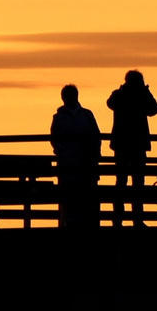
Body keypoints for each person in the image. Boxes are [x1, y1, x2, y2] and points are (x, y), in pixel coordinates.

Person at [106, 70, 157, 226]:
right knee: (137, 183)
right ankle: (137, 219)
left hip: (122, 144)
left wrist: (125, 89)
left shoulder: (119, 94)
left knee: (121, 182)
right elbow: (155, 109)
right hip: (137, 145)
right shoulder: (141, 95)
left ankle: (118, 219)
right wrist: (146, 91)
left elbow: (110, 103)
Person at [49, 84, 100, 231]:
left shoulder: (87, 115)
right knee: (70, 197)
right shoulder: (59, 117)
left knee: (85, 197)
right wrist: (61, 151)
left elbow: (96, 136)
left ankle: (85, 224)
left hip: (85, 164)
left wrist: (94, 154)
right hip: (68, 163)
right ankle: (69, 223)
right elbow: (54, 138)